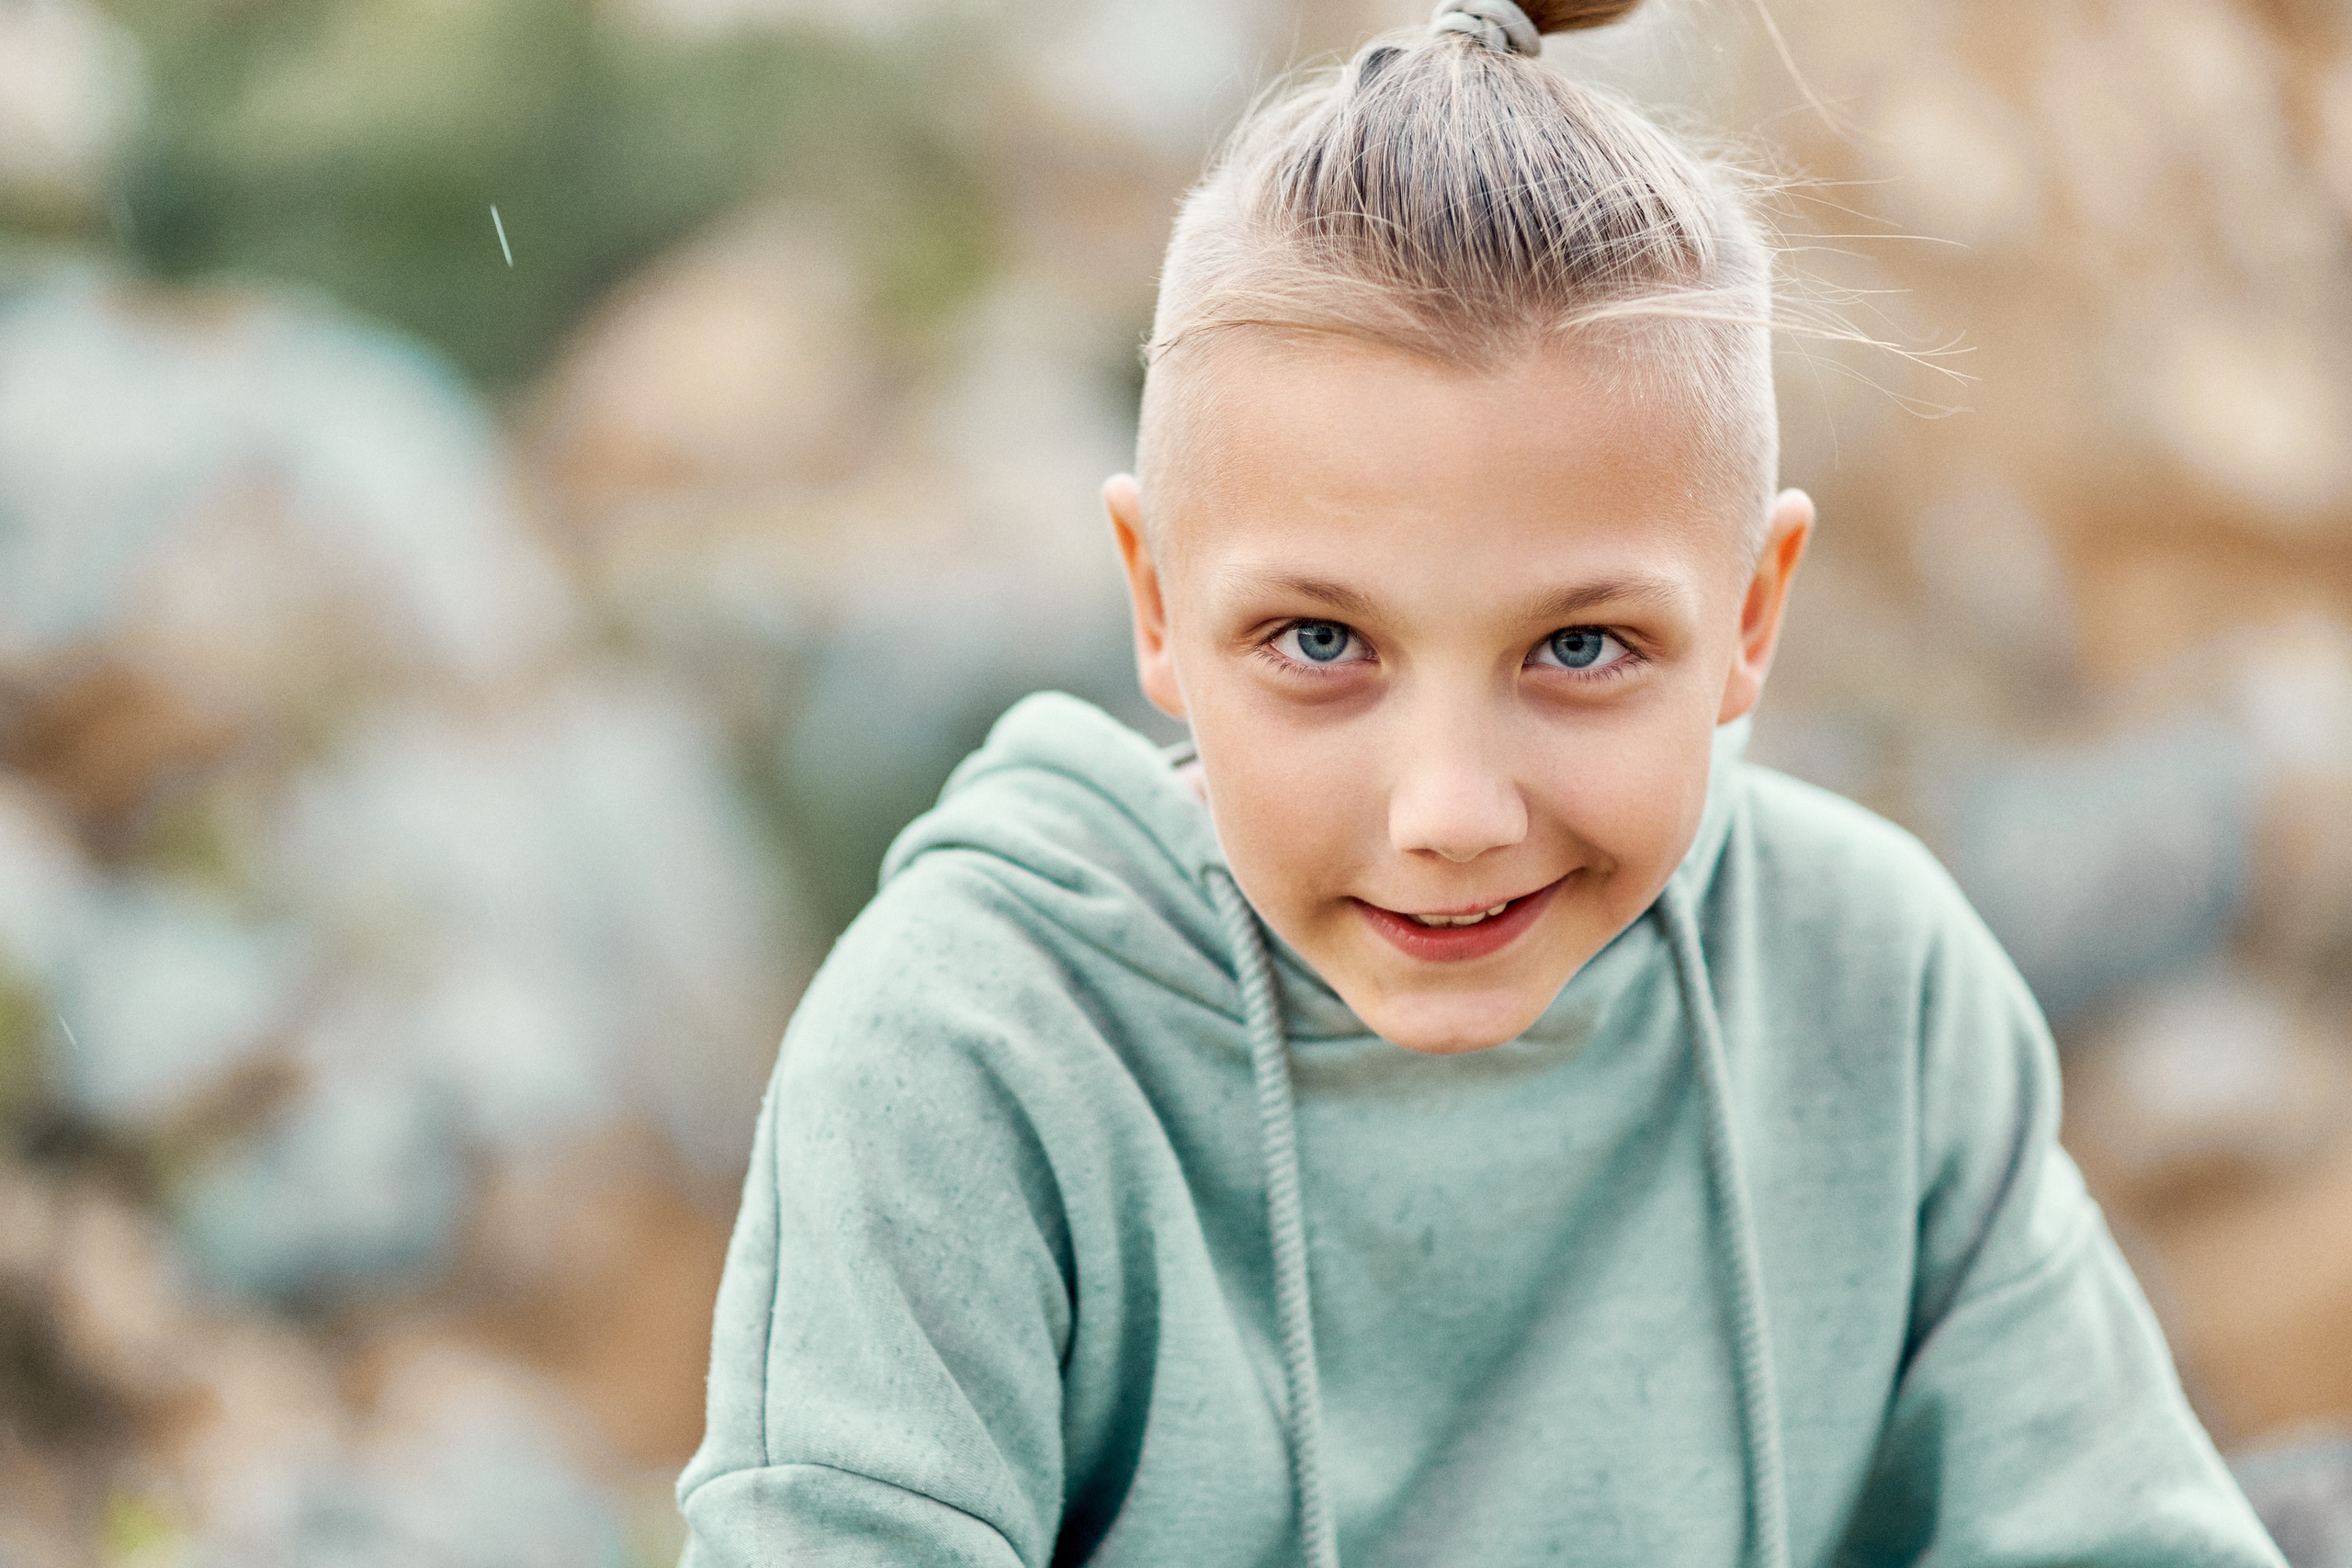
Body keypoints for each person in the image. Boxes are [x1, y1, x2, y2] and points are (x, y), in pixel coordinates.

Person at [676, 2, 2285, 1562]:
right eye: (1322, 641)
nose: (1450, 809)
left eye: (1579, 651)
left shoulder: (1873, 986)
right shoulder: (970, 1055)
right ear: (1156, 604)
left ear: (1750, 617)